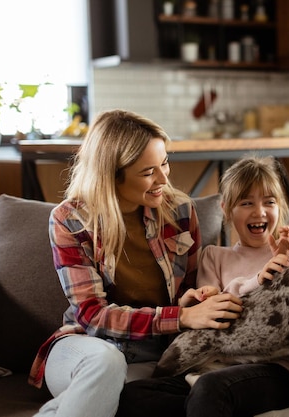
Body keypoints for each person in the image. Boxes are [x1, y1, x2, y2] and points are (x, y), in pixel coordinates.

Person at [29, 109, 243, 417]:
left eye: (164, 163)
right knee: (107, 364)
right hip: (84, 348)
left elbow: (189, 289)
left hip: (153, 357)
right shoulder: (70, 220)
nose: (163, 179)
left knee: (125, 399)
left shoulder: (180, 210)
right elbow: (92, 315)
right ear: (111, 175)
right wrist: (181, 316)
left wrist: (195, 298)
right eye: (147, 173)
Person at [116, 155, 289, 417]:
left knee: (210, 389)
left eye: (269, 202)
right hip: (212, 367)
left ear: (281, 207)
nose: (259, 211)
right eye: (246, 203)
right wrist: (201, 299)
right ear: (226, 210)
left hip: (276, 369)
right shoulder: (214, 256)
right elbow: (210, 317)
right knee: (132, 396)